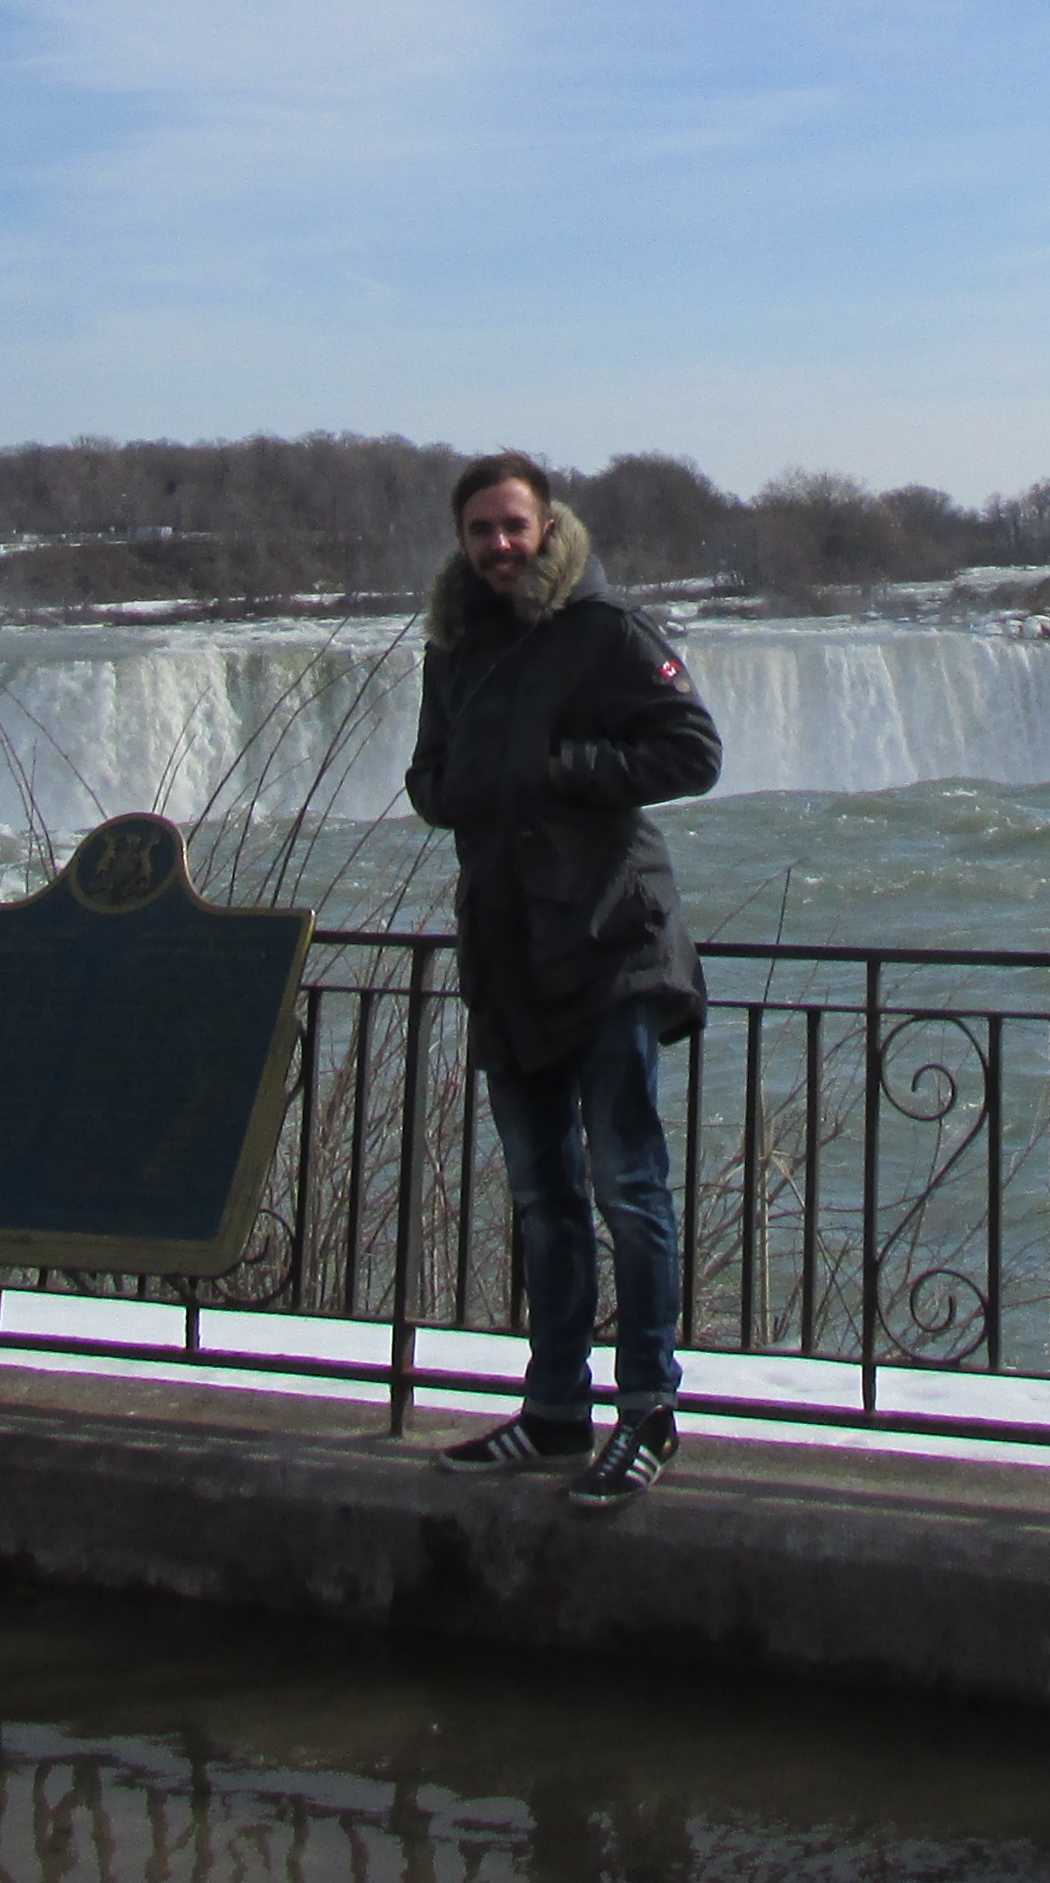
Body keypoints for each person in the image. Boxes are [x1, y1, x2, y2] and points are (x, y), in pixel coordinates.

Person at [402, 451, 722, 1506]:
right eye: (480, 530)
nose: (499, 544)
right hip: (507, 946)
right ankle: (552, 1412)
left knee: (629, 1189)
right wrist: (454, 787)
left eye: (514, 525)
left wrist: (561, 770)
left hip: (608, 940)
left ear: (547, 527)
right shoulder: (454, 647)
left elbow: (692, 752)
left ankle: (649, 1413)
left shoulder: (605, 630)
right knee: (544, 1198)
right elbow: (429, 774)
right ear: (462, 541)